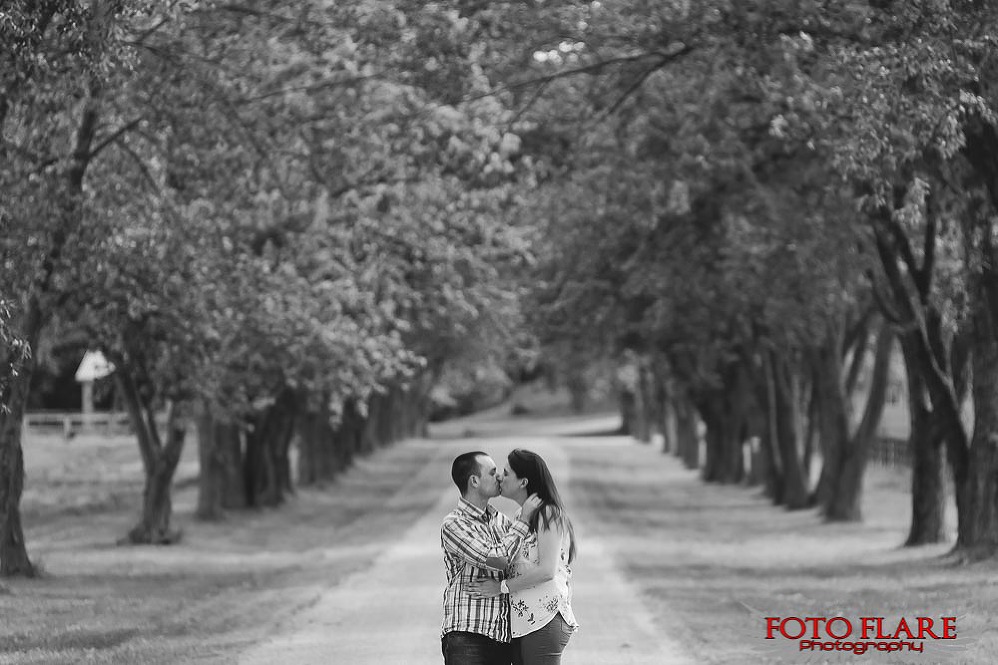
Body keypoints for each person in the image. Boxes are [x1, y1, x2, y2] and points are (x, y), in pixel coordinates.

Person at [469, 449, 579, 665]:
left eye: (506, 473)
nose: (500, 477)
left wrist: (501, 586)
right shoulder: (522, 516)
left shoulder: (548, 513)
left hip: (544, 620)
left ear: (523, 482)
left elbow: (547, 571)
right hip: (525, 622)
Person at [441, 451, 542, 665]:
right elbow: (498, 559)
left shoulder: (502, 522)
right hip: (467, 635)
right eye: (492, 472)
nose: (499, 477)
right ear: (474, 481)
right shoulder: (454, 524)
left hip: (502, 638)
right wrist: (524, 519)